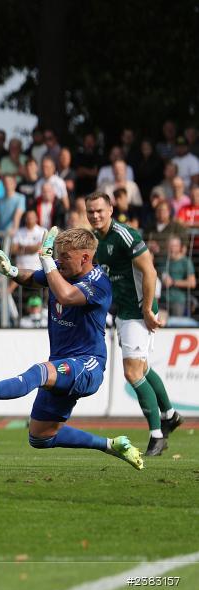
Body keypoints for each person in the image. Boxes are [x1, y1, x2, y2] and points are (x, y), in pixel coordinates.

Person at [0, 227, 143, 470]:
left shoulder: (99, 283)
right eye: (57, 255)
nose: (58, 261)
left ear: (85, 258)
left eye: (65, 256)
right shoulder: (62, 269)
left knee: (39, 372)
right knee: (41, 437)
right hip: (62, 362)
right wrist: (11, 271)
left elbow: (65, 296)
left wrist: (47, 262)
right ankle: (111, 445)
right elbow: (34, 278)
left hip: (88, 364)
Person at [86, 192, 182, 456]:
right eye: (90, 212)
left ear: (111, 209)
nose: (95, 215)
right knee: (143, 367)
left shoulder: (125, 235)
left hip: (137, 312)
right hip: (125, 311)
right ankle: (171, 415)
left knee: (133, 373)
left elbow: (150, 271)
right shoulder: (98, 239)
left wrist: (149, 310)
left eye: (99, 211)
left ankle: (157, 436)